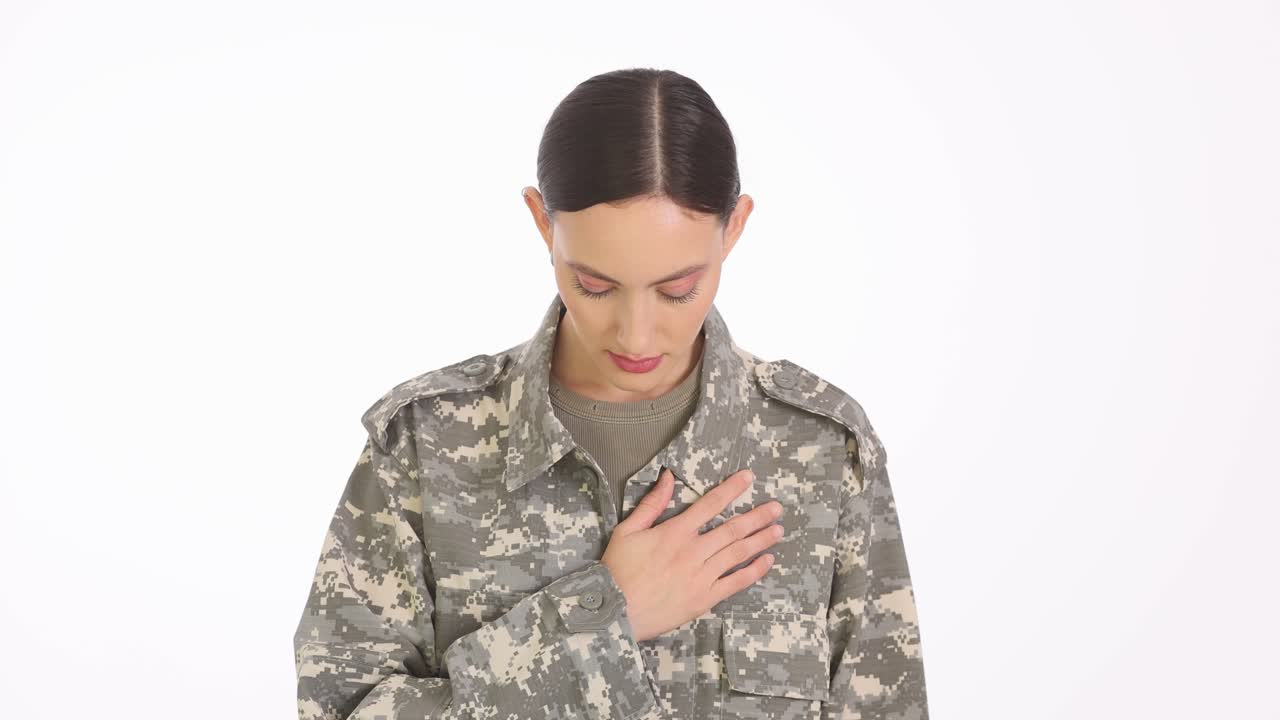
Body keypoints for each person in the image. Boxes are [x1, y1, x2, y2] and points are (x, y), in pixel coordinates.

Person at [293, 67, 929, 719]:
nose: (637, 331)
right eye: (594, 284)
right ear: (543, 222)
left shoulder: (825, 451)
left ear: (733, 229)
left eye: (677, 288)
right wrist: (596, 620)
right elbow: (342, 709)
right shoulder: (425, 443)